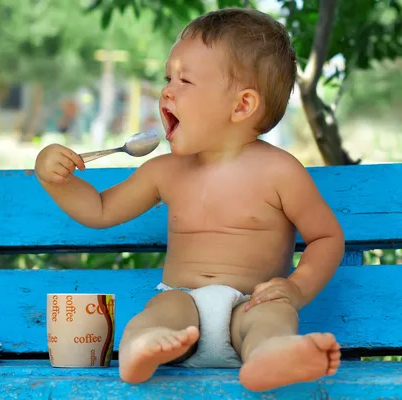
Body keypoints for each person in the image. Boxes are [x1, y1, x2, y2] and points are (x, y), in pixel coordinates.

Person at [34, 8, 344, 392]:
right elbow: (100, 210)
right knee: (157, 314)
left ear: (242, 106)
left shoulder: (280, 171)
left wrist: (296, 289)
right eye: (169, 78)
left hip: (249, 306)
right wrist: (57, 180)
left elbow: (326, 238)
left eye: (185, 80)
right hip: (184, 307)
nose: (166, 90)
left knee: (272, 318)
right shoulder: (164, 172)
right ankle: (142, 350)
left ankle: (270, 357)